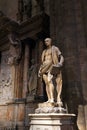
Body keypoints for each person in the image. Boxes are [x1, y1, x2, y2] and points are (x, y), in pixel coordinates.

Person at [38, 38, 64, 105]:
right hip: (44, 67)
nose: (46, 42)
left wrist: (60, 63)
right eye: (45, 41)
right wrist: (40, 69)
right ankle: (49, 98)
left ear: (50, 41)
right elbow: (42, 61)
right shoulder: (44, 51)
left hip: (52, 66)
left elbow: (61, 57)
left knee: (50, 81)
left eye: (47, 41)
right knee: (46, 83)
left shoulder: (55, 48)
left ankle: (53, 98)